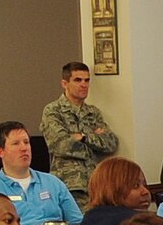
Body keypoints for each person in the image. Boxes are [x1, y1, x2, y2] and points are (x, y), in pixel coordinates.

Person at [0, 121, 84, 225]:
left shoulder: (53, 182)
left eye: (26, 142)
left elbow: (77, 223)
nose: (24, 148)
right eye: (16, 143)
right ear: (0, 151)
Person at [41, 61, 120, 202]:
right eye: (78, 80)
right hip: (69, 186)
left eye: (87, 80)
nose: (84, 84)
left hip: (95, 183)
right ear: (65, 84)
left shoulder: (92, 112)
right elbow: (60, 146)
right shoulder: (53, 111)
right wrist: (94, 138)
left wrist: (83, 137)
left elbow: (111, 144)